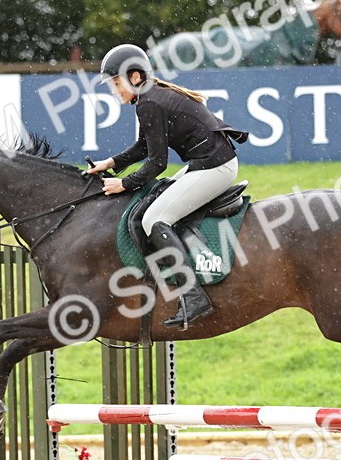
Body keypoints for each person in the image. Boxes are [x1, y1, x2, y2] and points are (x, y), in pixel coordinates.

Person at [87, 44, 247, 330]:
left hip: (215, 166)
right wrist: (108, 163)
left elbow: (157, 164)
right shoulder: (149, 97)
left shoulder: (150, 102)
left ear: (134, 77)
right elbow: (143, 147)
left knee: (154, 219)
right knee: (150, 210)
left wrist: (124, 183)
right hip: (209, 161)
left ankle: (194, 297)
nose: (114, 91)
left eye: (115, 83)